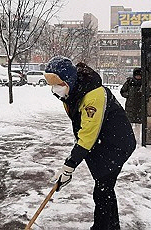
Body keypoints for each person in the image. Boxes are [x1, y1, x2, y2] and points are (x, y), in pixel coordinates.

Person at [45, 57, 136, 230]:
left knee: (102, 191)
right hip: (101, 143)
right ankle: (113, 226)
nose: (54, 89)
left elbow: (88, 133)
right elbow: (81, 127)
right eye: (51, 84)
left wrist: (70, 165)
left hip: (117, 144)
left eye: (58, 83)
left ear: (69, 80)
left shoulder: (93, 95)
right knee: (106, 189)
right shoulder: (71, 92)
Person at [120, 67, 151, 143]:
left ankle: (136, 139)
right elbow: (122, 91)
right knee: (129, 123)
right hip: (130, 106)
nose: (138, 77)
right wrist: (129, 95)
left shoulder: (144, 83)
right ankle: (129, 138)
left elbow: (149, 93)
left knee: (138, 124)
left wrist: (143, 95)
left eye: (139, 76)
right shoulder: (129, 82)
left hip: (140, 106)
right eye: (137, 76)